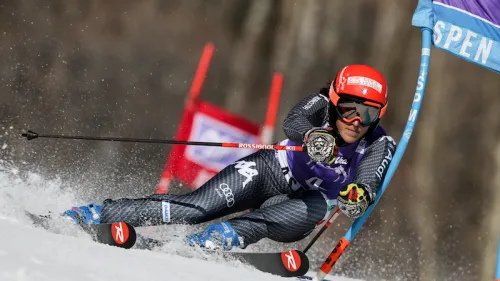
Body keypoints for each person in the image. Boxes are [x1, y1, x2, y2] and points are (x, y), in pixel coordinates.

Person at [63, 64, 396, 251]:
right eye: (349, 109)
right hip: (271, 170)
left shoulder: (380, 144)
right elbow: (293, 122)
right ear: (335, 101)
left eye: (367, 114)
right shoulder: (321, 106)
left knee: (310, 209)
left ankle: (213, 240)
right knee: (196, 208)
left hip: (307, 203)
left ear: (378, 116)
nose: (356, 121)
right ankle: (95, 213)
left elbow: (368, 178)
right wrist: (311, 136)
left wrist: (359, 196)